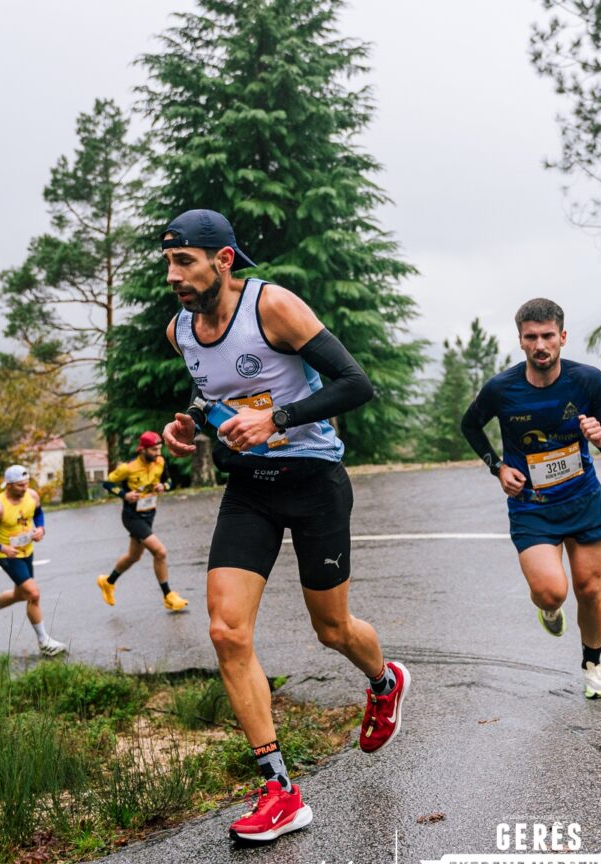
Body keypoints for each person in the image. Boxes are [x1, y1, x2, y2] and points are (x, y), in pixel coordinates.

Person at [158, 208, 410, 843]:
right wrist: (188, 423)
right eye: (168, 263)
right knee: (226, 630)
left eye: (184, 261)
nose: (173, 276)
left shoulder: (272, 307)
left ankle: (384, 680)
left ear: (222, 260)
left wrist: (277, 419)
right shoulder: (180, 330)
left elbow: (356, 384)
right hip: (250, 490)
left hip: (314, 480)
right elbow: (211, 395)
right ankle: (279, 789)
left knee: (332, 629)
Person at [460, 298, 601, 699]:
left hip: (583, 499)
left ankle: (592, 666)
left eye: (548, 336)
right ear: (521, 340)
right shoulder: (502, 389)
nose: (540, 345)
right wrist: (498, 467)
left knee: (589, 588)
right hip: (532, 506)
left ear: (562, 337)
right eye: (531, 337)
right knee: (552, 591)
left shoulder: (587, 380)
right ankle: (549, 609)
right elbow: (470, 425)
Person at [0, 465, 67, 656]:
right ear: (9, 485)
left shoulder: (32, 496)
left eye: (26, 483)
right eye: (20, 485)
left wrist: (41, 528)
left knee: (20, 594)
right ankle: (44, 642)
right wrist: (2, 547)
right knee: (33, 594)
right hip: (8, 556)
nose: (25, 488)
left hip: (27, 551)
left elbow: (38, 513)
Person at [97, 431, 187, 612]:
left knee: (134, 556)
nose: (158, 453)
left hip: (149, 514)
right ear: (143, 449)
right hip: (132, 517)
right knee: (160, 552)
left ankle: (108, 581)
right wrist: (125, 495)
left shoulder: (160, 462)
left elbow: (169, 481)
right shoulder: (128, 467)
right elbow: (107, 483)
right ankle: (168, 596)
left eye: (159, 449)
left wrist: (164, 486)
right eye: (154, 450)